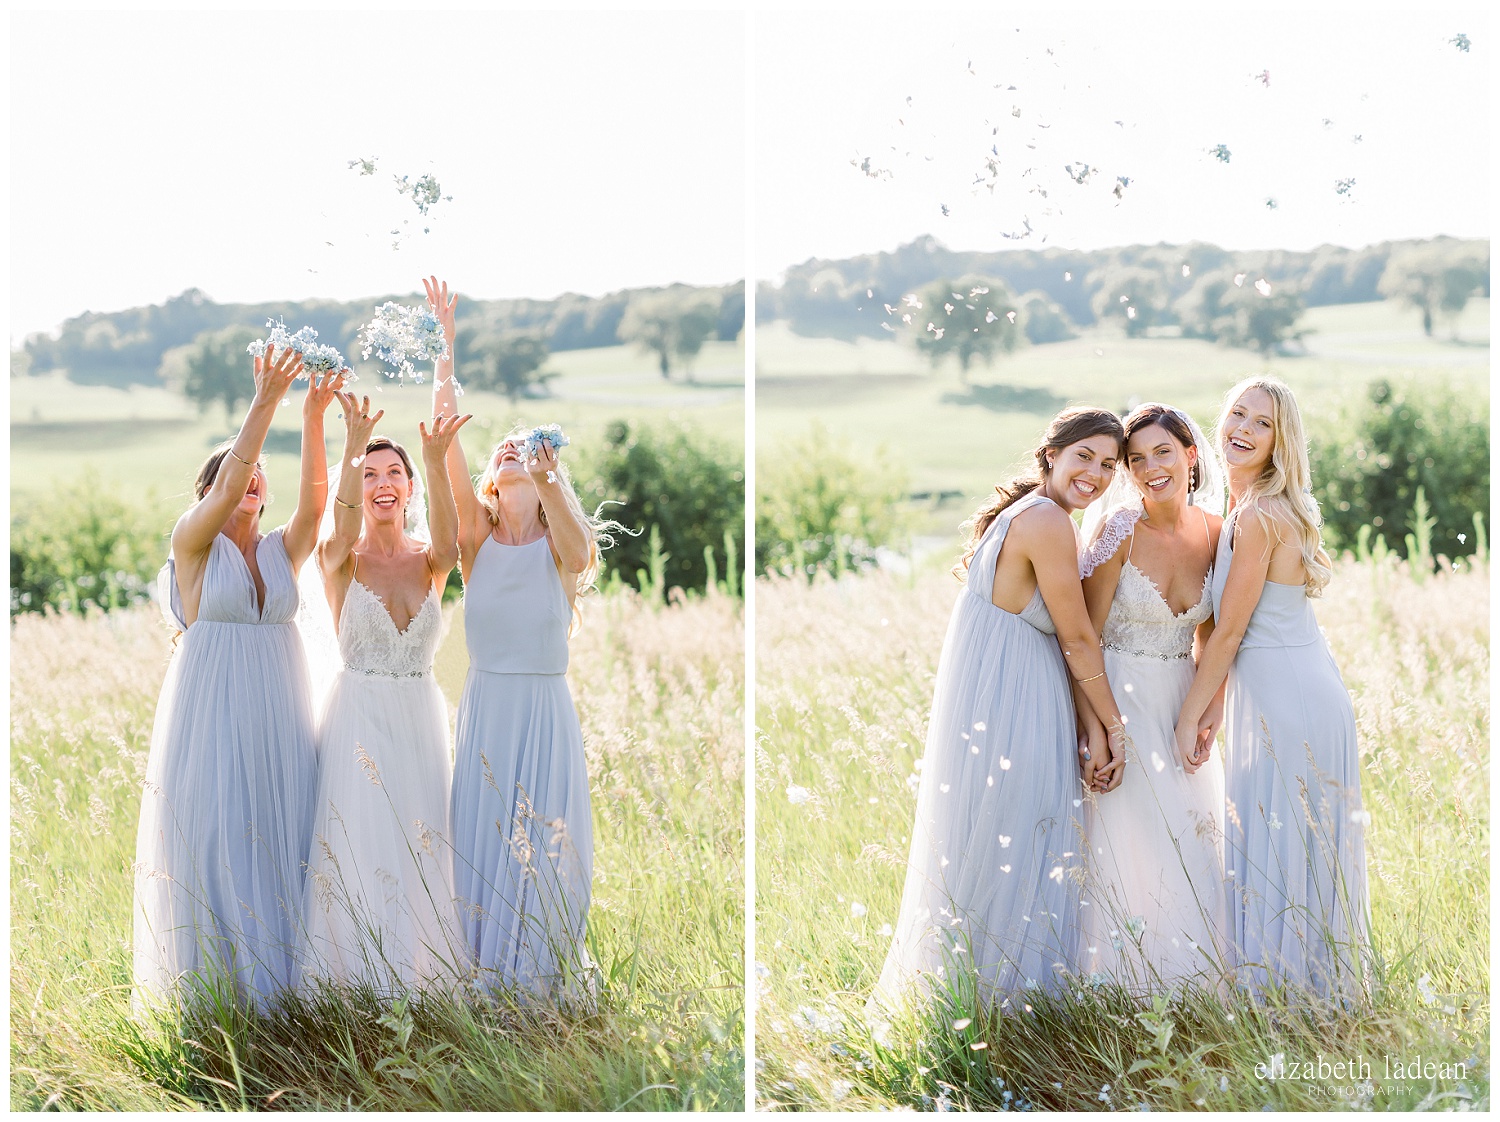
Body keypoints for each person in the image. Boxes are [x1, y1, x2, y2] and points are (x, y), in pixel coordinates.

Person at [875, 407, 1133, 1011]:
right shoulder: (1046, 520)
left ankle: (984, 997)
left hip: (1002, 695)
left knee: (999, 839)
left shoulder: (1027, 513)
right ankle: (1007, 1003)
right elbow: (1076, 637)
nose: (1094, 474)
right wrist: (1113, 728)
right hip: (1015, 701)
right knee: (1022, 837)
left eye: (1108, 465)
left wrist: (1088, 725)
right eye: (1084, 457)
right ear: (1051, 455)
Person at [133, 346, 342, 1007]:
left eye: (257, 476)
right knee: (221, 830)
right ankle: (217, 993)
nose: (250, 481)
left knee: (282, 829)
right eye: (235, 474)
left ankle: (282, 995)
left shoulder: (285, 548)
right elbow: (230, 483)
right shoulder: (193, 540)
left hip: (281, 704)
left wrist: (313, 417)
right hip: (213, 704)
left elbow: (316, 507)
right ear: (208, 490)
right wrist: (266, 400)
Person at [424, 277, 605, 996]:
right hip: (489, 708)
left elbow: (581, 552)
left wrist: (550, 476)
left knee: (550, 848)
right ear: (493, 485)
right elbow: (443, 445)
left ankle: (543, 980)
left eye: (515, 451)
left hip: (545, 711)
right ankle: (483, 976)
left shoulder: (561, 543)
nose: (504, 452)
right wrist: (446, 351)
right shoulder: (477, 538)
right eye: (499, 454)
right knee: (484, 841)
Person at [1173, 376, 1369, 1002]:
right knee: (1287, 843)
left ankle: (1295, 998)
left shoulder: (1259, 516)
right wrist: (1219, 709)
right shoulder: (1245, 509)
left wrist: (1190, 716)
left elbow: (1230, 634)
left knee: (1288, 841)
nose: (1243, 429)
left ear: (1281, 441)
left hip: (1291, 698)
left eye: (1262, 423)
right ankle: (1303, 993)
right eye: (1237, 414)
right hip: (1288, 687)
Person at [298, 395, 472, 992]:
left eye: (394, 472)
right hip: (360, 715)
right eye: (370, 476)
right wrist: (354, 442)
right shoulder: (339, 556)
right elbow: (341, 520)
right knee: (362, 841)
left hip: (420, 715)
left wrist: (434, 453)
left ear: (410, 487)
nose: (382, 484)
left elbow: (451, 545)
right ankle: (355, 984)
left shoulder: (431, 561)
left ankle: (423, 979)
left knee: (422, 840)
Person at [1075, 403, 1229, 991]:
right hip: (1114, 694)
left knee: (1190, 837)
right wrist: (1095, 731)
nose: (1148, 469)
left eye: (1162, 452)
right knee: (1125, 838)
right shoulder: (1117, 530)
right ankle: (1118, 984)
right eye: (1135, 460)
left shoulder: (1219, 534)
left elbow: (1214, 633)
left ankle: (1193, 982)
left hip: (1180, 704)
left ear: (1191, 456)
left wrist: (1209, 710)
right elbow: (1082, 636)